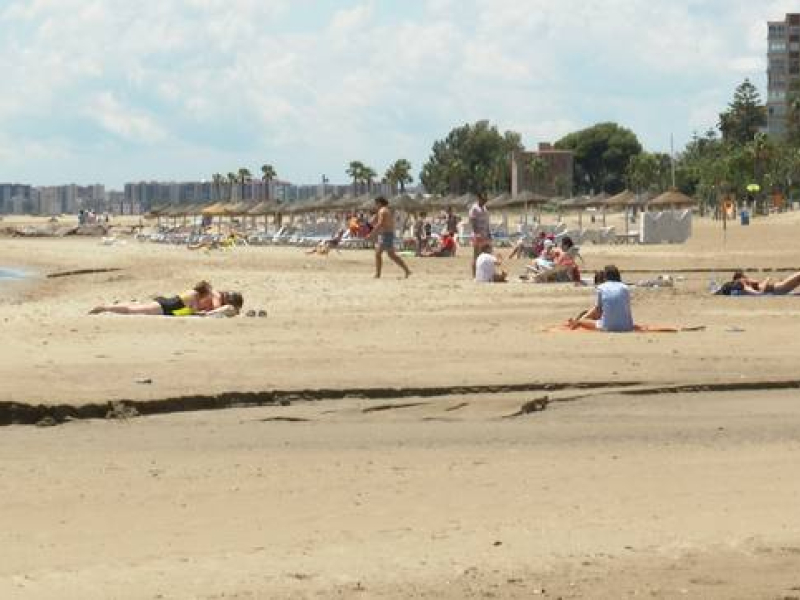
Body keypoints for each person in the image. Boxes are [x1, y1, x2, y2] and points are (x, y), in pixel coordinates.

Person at [90, 281, 244, 317]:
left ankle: (108, 307)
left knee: (136, 306)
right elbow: (216, 309)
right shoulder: (214, 294)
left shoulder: (209, 293)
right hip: (169, 305)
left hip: (171, 306)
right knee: (133, 310)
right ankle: (105, 308)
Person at [569, 265, 633, 331]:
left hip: (607, 326)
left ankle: (576, 322)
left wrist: (582, 319)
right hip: (627, 326)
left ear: (606, 277)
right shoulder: (625, 288)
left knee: (581, 321)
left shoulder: (601, 287)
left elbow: (597, 309)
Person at [367, 197, 411, 279]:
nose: (375, 205)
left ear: (379, 203)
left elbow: (380, 223)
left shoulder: (382, 211)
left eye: (376, 204)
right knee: (391, 255)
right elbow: (376, 222)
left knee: (378, 253)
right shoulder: (385, 210)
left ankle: (378, 274)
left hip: (386, 234)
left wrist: (372, 233)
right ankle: (407, 270)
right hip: (388, 234)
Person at [717, 270, 800, 295]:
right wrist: (767, 280)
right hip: (780, 289)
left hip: (779, 287)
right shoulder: (743, 285)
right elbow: (759, 294)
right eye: (746, 277)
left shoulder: (742, 284)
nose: (748, 278)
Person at [469, 193, 491, 278]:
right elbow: (473, 221)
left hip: (485, 234)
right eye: (483, 200)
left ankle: (484, 274)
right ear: (479, 199)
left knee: (486, 254)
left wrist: (489, 233)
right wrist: (476, 233)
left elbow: (487, 222)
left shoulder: (485, 208)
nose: (485, 202)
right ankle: (474, 275)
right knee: (476, 255)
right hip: (477, 235)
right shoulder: (474, 208)